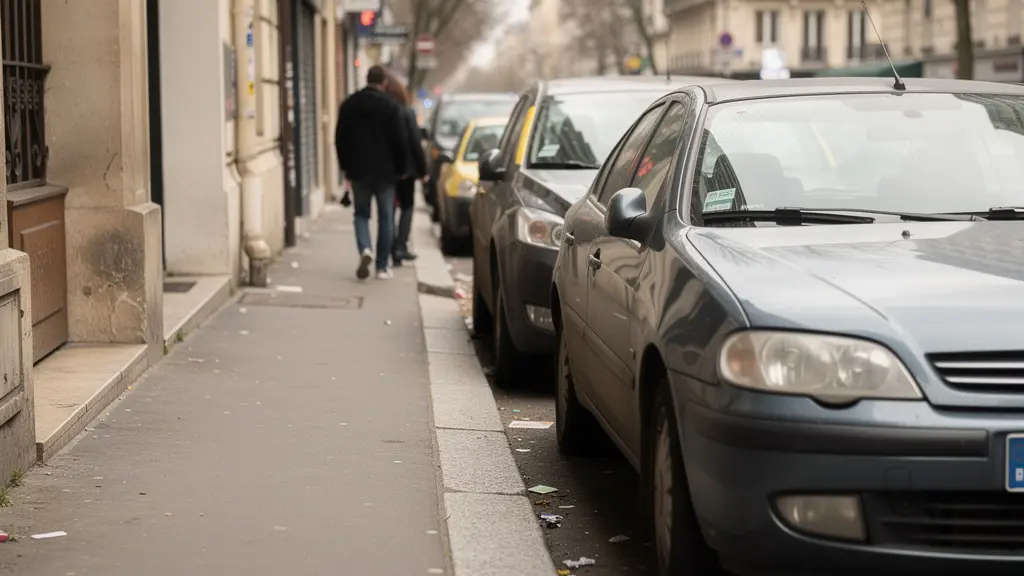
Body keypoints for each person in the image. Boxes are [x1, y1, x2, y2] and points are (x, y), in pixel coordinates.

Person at [335, 65, 409, 280]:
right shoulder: (390, 107)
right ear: (384, 82)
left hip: (358, 170)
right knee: (386, 217)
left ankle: (365, 248)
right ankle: (381, 266)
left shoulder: (349, 105)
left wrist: (345, 167)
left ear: (366, 79)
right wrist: (401, 169)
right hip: (385, 173)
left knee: (361, 214)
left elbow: (340, 139)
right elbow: (400, 140)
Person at [383, 73, 427, 267]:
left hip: (387, 169)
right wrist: (423, 169)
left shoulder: (384, 112)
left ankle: (392, 245)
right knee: (407, 207)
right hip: (407, 170)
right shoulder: (407, 112)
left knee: (389, 210)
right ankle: (401, 245)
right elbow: (415, 143)